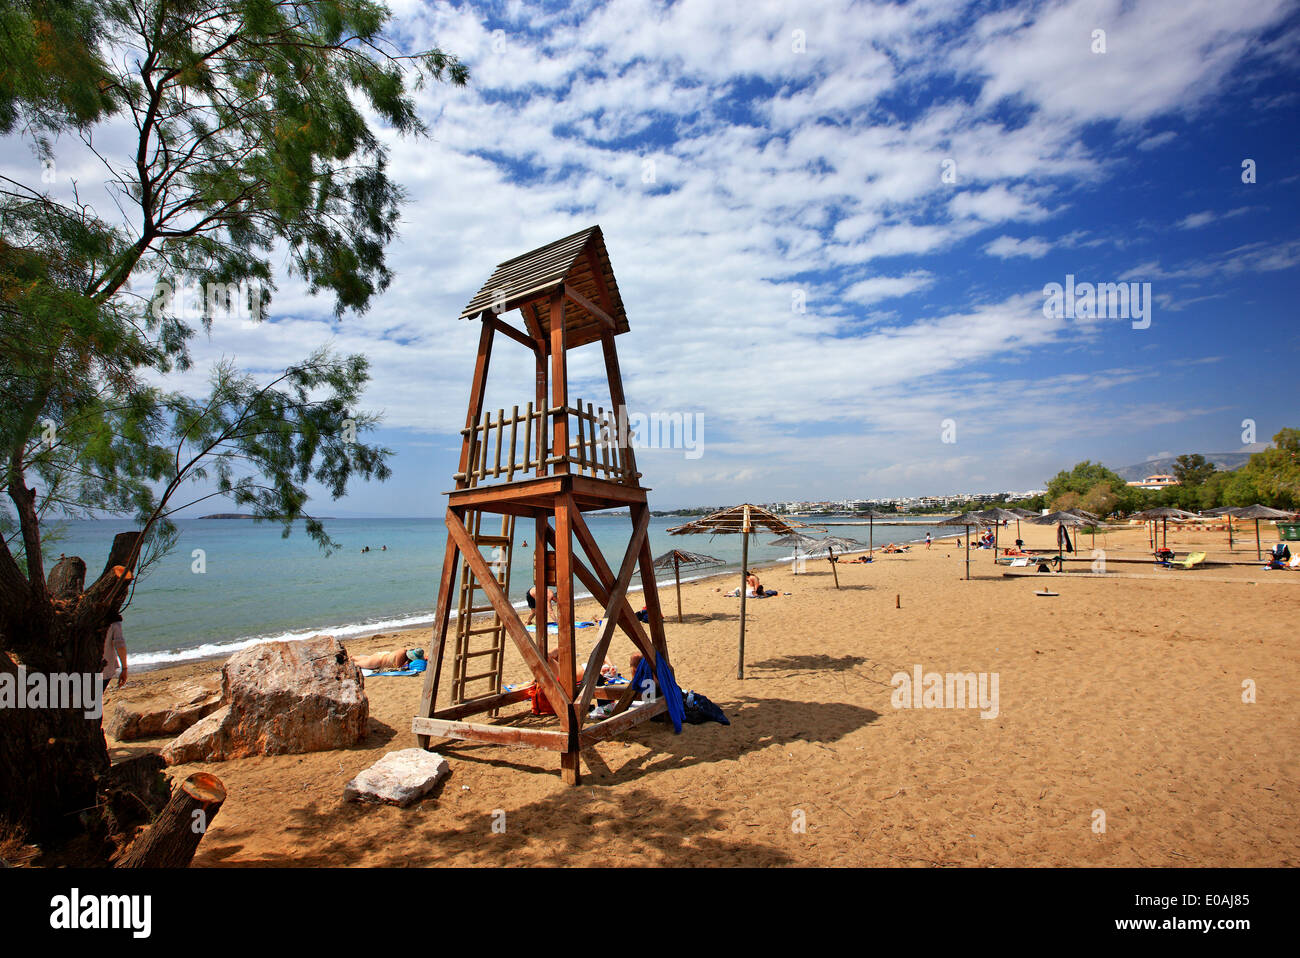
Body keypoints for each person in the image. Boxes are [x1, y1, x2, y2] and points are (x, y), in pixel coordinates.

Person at [102, 612, 128, 688]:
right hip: (105, 668)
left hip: (81, 668)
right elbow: (120, 646)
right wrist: (124, 668)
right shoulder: (113, 621)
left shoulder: (82, 618)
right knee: (94, 697)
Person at [353, 648, 424, 671]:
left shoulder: (404, 652)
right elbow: (398, 666)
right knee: (356, 664)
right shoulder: (402, 652)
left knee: (365, 658)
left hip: (381, 657)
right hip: (378, 661)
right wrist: (407, 664)